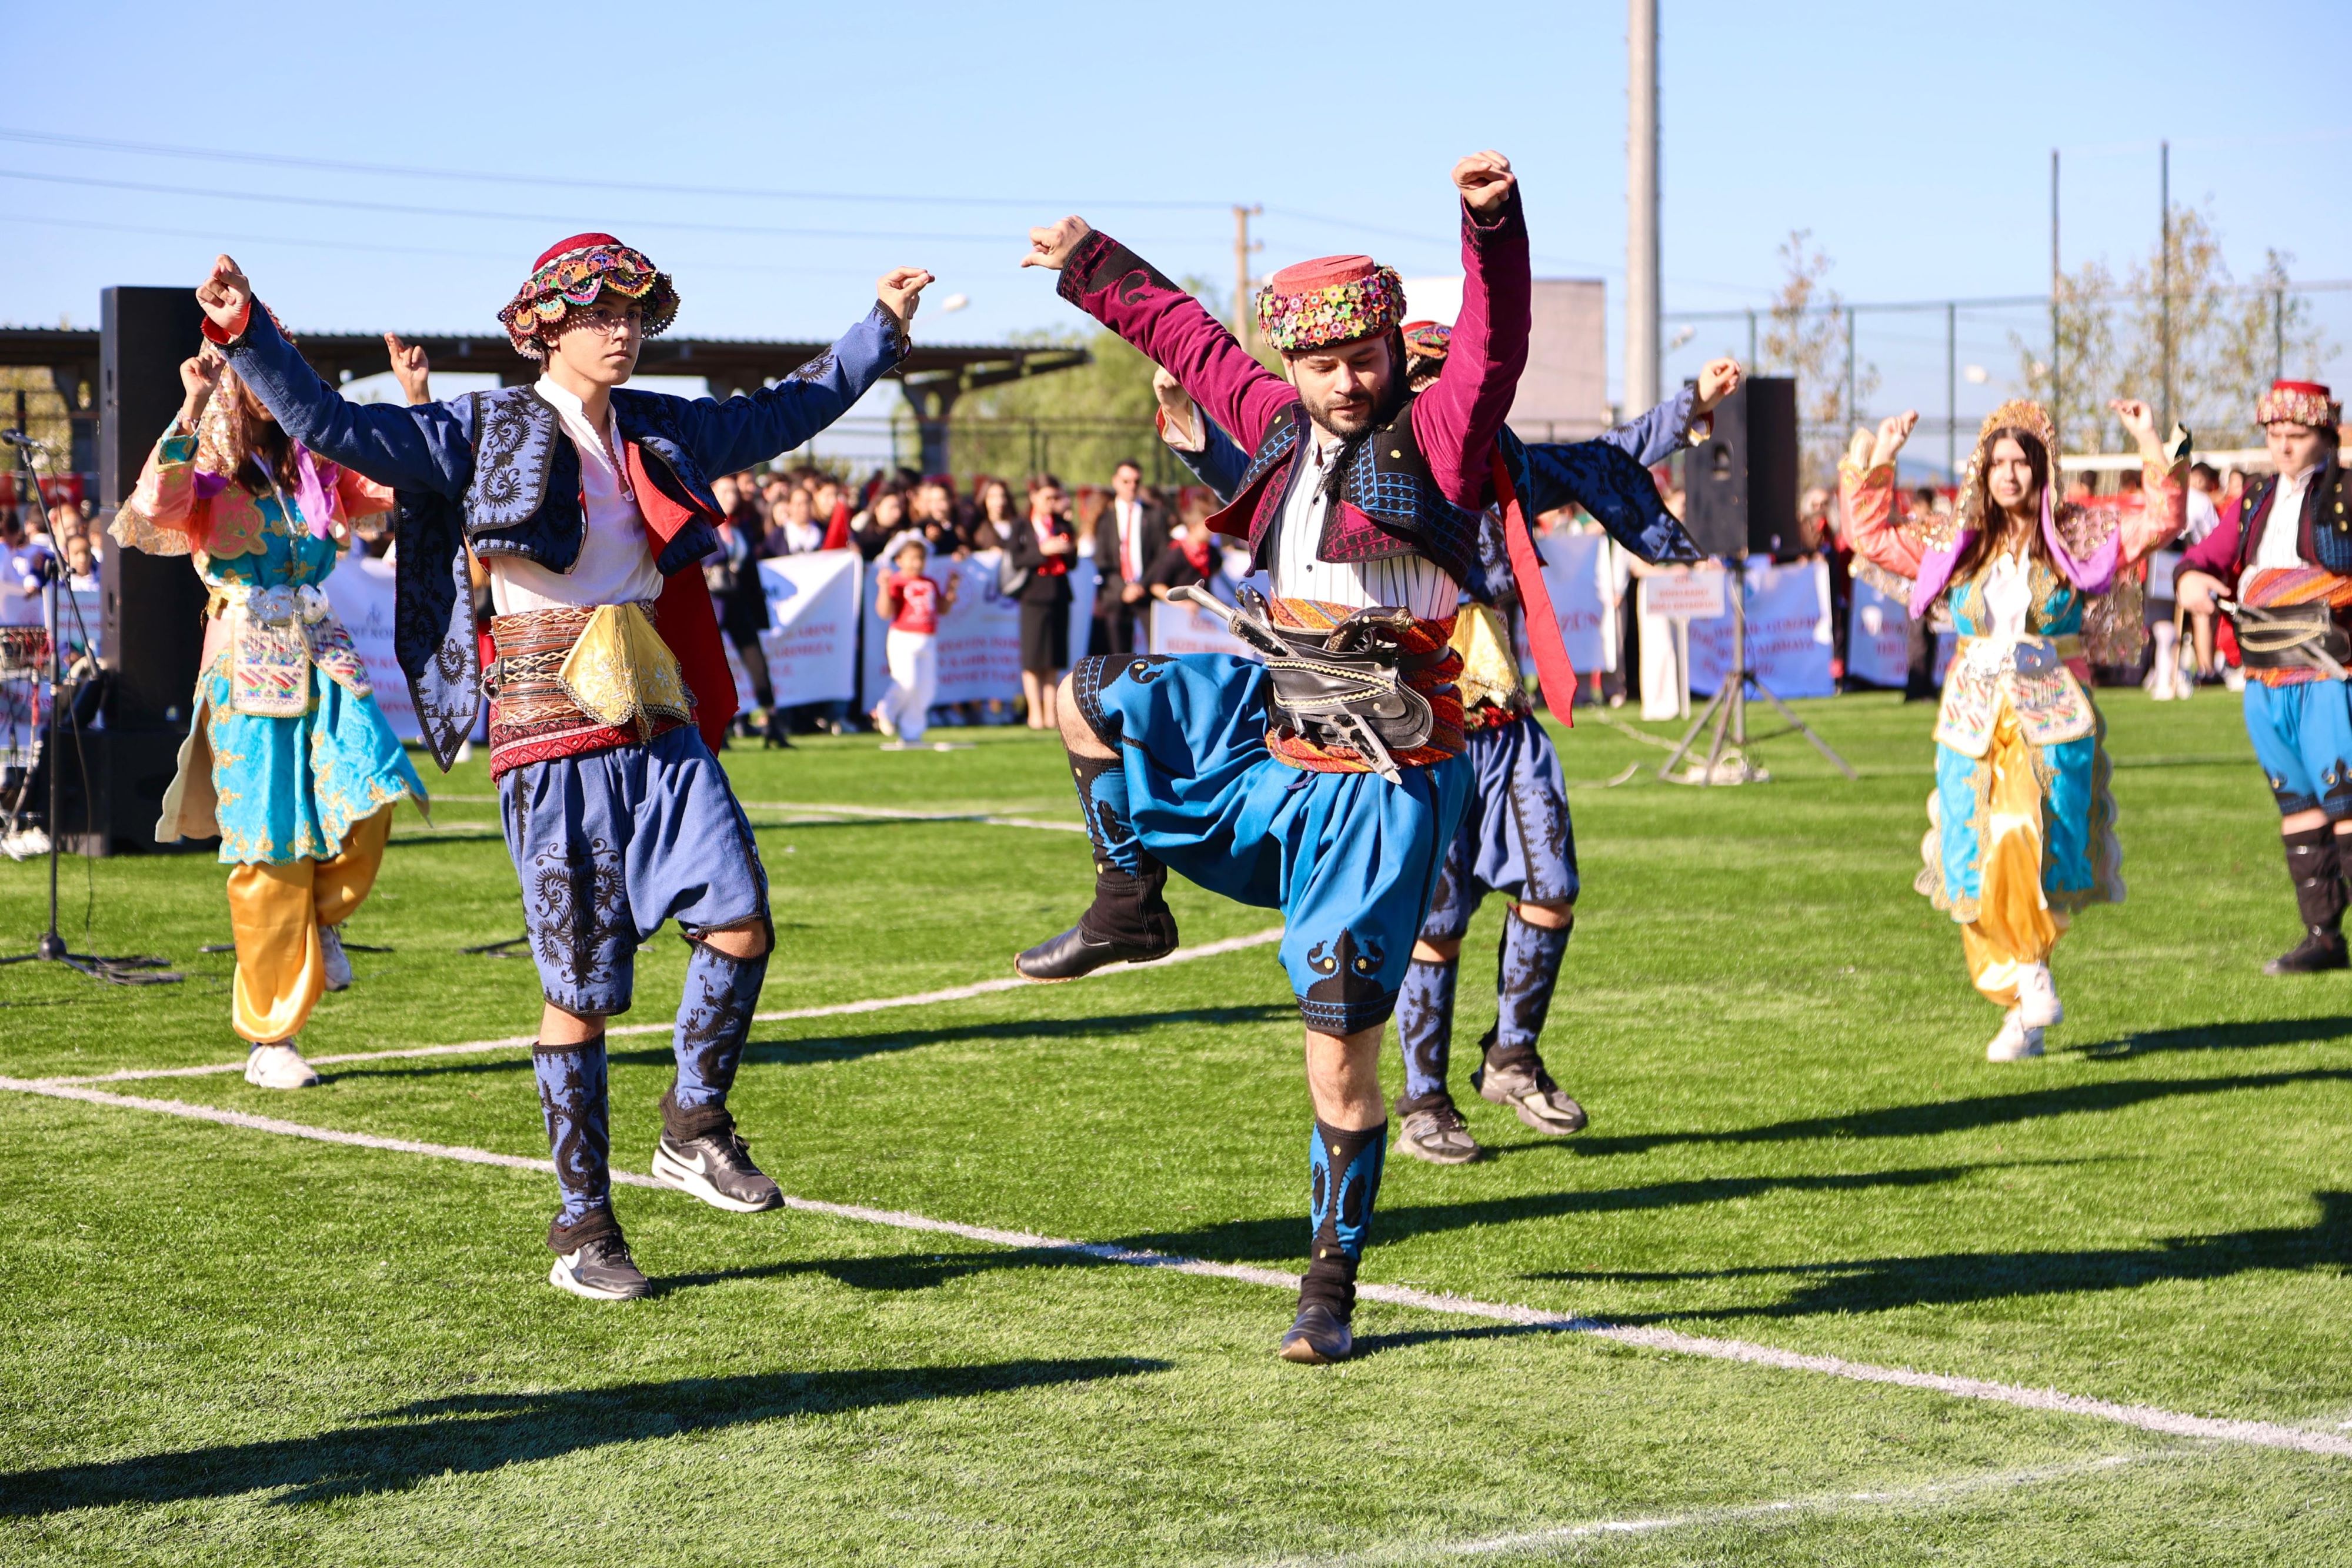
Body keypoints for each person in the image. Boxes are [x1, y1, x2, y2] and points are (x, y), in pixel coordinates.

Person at [195, 237, 931, 1299]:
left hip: (656, 715)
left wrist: (880, 329)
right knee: (579, 993)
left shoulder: (661, 424)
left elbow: (784, 412)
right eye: (600, 315)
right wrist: (246, 330)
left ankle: (693, 1120)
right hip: (547, 734)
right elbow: (333, 424)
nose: (622, 332)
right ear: (545, 328)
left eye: (635, 315)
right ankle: (585, 1227)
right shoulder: (478, 425)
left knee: (739, 917)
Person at [1012, 151, 1546, 1363]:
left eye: (1363, 356)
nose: (1346, 379)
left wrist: (1489, 224)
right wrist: (1091, 262)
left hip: (1380, 782)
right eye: (1322, 362)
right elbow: (1188, 336)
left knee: (1337, 1059)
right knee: (1092, 699)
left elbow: (1494, 343)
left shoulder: (1442, 432)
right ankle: (1126, 904)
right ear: (1292, 367)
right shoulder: (1269, 424)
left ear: (1389, 349)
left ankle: (1327, 1285)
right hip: (1271, 720)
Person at [1157, 328, 1732, 1164]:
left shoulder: (1493, 467)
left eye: (1442, 377)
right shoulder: (1349, 469)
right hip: (1410, 735)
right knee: (1435, 925)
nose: (1433, 395)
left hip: (1504, 722)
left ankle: (1512, 1056)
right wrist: (1195, 431)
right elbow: (1266, 486)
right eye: (1419, 377)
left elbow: (1601, 458)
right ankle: (1424, 1098)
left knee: (1552, 891)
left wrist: (1690, 407)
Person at [110, 339, 428, 1090]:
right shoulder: (211, 468)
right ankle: (270, 1036)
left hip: (323, 647)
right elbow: (156, 504)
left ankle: (323, 916)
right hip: (248, 659)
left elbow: (402, 482)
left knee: (377, 786)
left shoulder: (320, 464)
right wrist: (191, 403)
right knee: (270, 836)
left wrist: (415, 398)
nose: (272, 381)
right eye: (255, 369)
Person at [1844, 398, 2184, 1060]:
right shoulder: (1956, 544)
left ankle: (2029, 967)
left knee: (2023, 833)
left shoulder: (2077, 539)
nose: (2008, 474)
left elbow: (2161, 519)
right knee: (1969, 865)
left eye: (2020, 462)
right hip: (1972, 716)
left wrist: (2147, 437)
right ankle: (2021, 1008)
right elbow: (1871, 535)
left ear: (2042, 469)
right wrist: (1883, 454)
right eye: (1997, 462)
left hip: (2048, 711)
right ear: (1983, 470)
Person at [2175, 381, 2352, 973]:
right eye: (2274, 435)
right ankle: (2323, 937)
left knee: (2346, 798)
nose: (2283, 446)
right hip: (2264, 677)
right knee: (2296, 801)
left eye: (2296, 435)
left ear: (2325, 435)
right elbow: (2206, 555)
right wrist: (2190, 578)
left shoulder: (2348, 492)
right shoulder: (2254, 499)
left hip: (2330, 673)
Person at [870, 532, 958, 745]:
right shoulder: (897, 582)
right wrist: (884, 587)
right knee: (906, 681)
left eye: (921, 559)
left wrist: (951, 591)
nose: (917, 563)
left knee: (926, 688)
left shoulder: (930, 582)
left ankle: (912, 731)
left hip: (928, 638)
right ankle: (886, 709)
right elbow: (884, 612)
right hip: (903, 637)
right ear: (900, 560)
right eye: (912, 558)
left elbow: (941, 609)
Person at [1006, 473, 1075, 729]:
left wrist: (1067, 547)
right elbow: (1016, 559)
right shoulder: (1022, 525)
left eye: (1056, 498)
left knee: (1053, 658)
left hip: (1058, 594)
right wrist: (1042, 551)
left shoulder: (1062, 524)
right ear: (1034, 497)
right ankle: (1034, 712)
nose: (1052, 503)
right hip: (1032, 596)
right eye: (1047, 497)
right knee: (1033, 657)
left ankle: (1050, 713)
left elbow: (1073, 562)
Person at [1094, 458, 1169, 658]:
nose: (1132, 486)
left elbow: (1162, 555)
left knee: (1158, 653)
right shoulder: (1105, 518)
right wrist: (1123, 589)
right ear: (1115, 482)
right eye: (1126, 481)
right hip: (1116, 595)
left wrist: (1141, 585)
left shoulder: (1155, 515)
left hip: (1146, 592)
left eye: (1136, 481)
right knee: (1119, 657)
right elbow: (1102, 560)